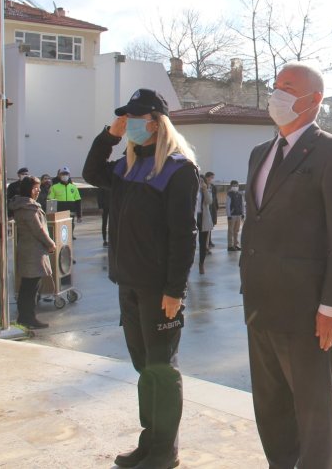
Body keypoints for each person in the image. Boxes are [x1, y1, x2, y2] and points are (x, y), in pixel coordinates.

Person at [240, 62, 332, 469]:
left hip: (306, 310)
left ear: (313, 100)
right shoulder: (261, 152)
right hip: (260, 303)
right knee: (271, 407)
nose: (277, 95)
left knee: (313, 414)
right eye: (276, 86)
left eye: (287, 88)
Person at [83, 88, 200, 469]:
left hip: (158, 289)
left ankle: (165, 452)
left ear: (155, 122)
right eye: (126, 118)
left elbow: (185, 235)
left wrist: (174, 290)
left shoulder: (178, 169)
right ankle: (150, 443)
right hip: (128, 283)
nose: (129, 124)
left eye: (134, 119)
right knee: (144, 367)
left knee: (162, 370)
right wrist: (109, 136)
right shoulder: (127, 165)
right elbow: (92, 174)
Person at [10, 176, 57, 329]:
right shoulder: (27, 208)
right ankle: (27, 317)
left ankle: (26, 316)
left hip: (34, 250)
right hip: (32, 252)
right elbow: (38, 230)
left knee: (31, 286)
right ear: (27, 189)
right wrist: (50, 243)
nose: (38, 191)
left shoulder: (28, 205)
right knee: (30, 287)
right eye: (35, 188)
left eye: (38, 188)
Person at [49, 166, 82, 238]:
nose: (65, 176)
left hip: (71, 211)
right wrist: (51, 214)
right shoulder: (54, 187)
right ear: (59, 175)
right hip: (59, 212)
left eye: (66, 174)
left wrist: (79, 216)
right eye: (63, 174)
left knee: (71, 224)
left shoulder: (73, 187)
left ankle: (70, 235)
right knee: (60, 227)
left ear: (69, 175)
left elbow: (78, 201)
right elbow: (50, 200)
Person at [196, 177, 213, 273]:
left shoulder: (206, 191)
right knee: (191, 243)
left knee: (202, 243)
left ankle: (201, 264)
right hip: (193, 218)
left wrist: (205, 190)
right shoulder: (192, 189)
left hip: (203, 218)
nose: (200, 183)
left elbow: (209, 201)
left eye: (202, 181)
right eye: (199, 181)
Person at [225, 180, 244, 251]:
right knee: (231, 231)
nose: (235, 187)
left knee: (236, 230)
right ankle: (230, 245)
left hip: (238, 214)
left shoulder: (240, 195)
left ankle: (236, 244)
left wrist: (242, 214)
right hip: (232, 215)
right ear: (231, 186)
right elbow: (227, 205)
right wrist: (229, 215)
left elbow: (242, 205)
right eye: (234, 185)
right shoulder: (229, 194)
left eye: (236, 185)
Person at [205, 171, 219, 248]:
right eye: (211, 178)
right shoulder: (204, 186)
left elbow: (215, 197)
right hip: (206, 208)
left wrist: (216, 206)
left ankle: (209, 241)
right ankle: (206, 242)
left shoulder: (213, 187)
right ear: (207, 177)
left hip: (212, 208)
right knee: (206, 226)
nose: (212, 179)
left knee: (211, 225)